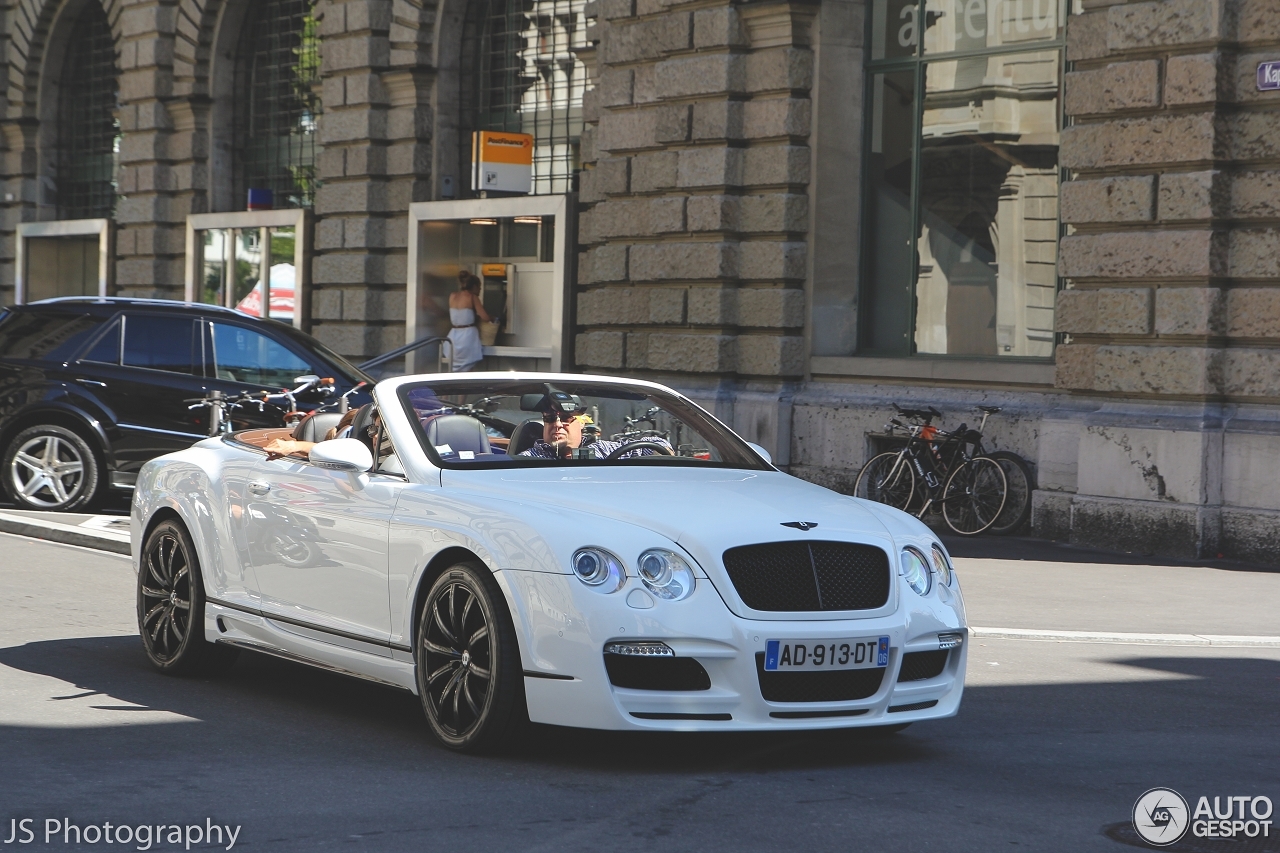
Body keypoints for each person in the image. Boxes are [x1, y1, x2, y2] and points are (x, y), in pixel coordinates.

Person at [519, 400, 671, 460]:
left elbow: (657, 444)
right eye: (550, 419)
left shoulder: (601, 449)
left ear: (581, 423)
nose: (557, 424)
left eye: (566, 418)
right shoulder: (529, 458)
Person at [447, 271, 493, 372]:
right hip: (467, 337)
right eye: (479, 287)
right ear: (475, 286)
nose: (480, 290)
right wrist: (493, 318)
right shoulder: (472, 297)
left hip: (453, 336)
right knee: (468, 369)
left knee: (454, 370)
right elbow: (485, 317)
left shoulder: (452, 296)